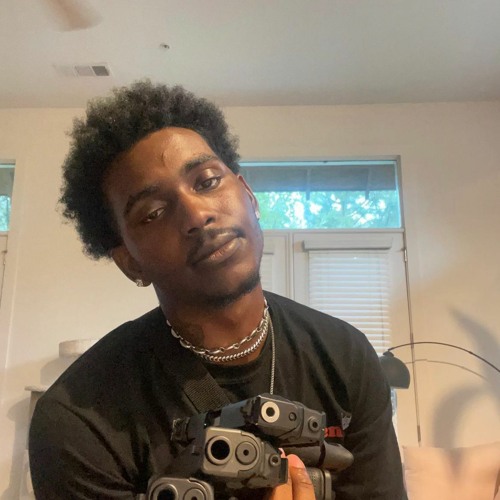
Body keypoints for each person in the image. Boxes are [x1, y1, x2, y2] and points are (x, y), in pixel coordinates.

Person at [29, 81, 405, 499]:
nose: (197, 214)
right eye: (154, 212)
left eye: (207, 181)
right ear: (130, 262)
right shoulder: (78, 419)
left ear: (250, 197)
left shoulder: (345, 356)